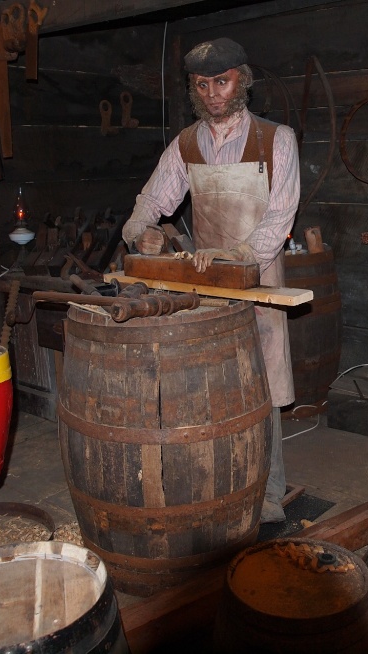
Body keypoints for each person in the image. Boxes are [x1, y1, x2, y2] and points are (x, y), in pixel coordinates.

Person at [121, 38, 299, 523]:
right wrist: (144, 234)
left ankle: (268, 493)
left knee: (264, 385)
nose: (214, 93)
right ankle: (216, 483)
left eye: (222, 81)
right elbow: (150, 202)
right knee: (212, 385)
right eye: (203, 85)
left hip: (259, 280)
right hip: (206, 286)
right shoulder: (184, 145)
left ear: (242, 79)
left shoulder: (275, 140)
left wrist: (240, 255)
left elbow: (280, 217)